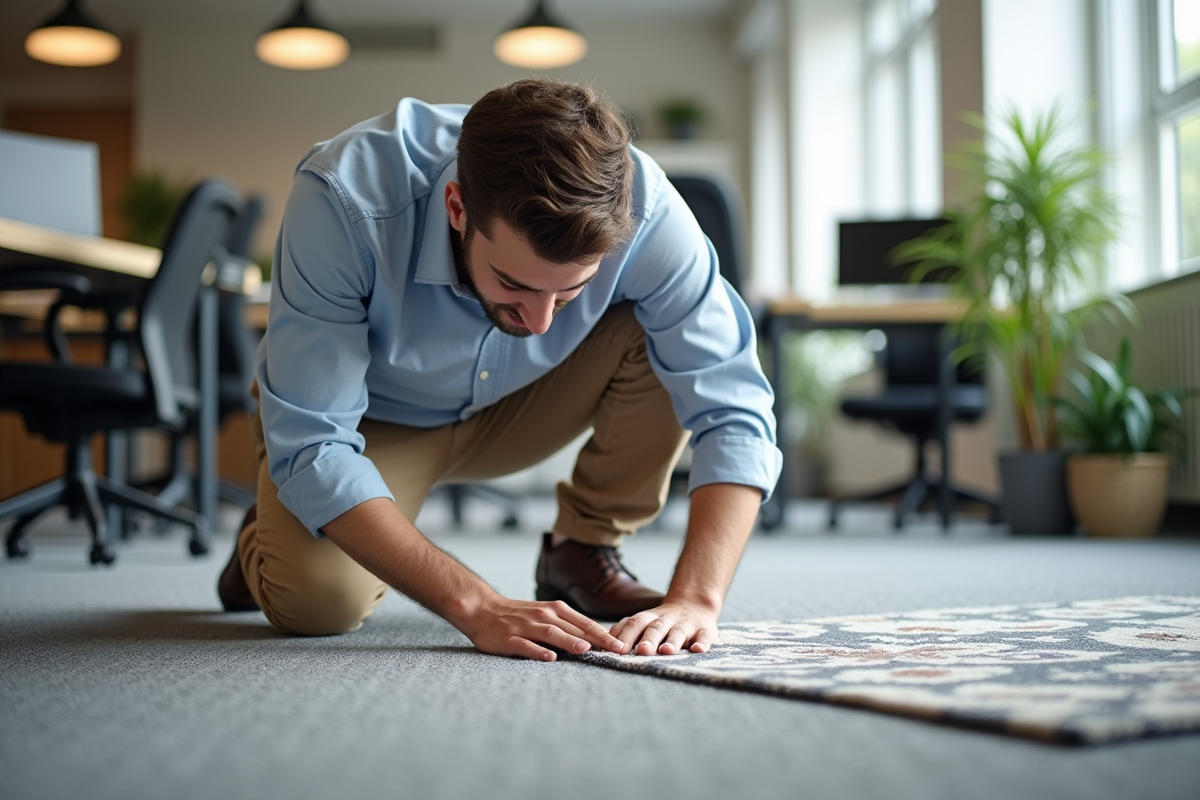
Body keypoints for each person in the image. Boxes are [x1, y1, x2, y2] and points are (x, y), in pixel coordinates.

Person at [218, 78, 781, 662]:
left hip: (522, 404)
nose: (540, 322)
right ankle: (268, 530)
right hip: (370, 424)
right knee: (317, 606)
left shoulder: (651, 213)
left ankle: (580, 550)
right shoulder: (344, 197)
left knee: (664, 337)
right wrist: (476, 604)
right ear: (457, 208)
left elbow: (734, 408)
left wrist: (697, 600)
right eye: (514, 283)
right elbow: (314, 444)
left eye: (570, 293)